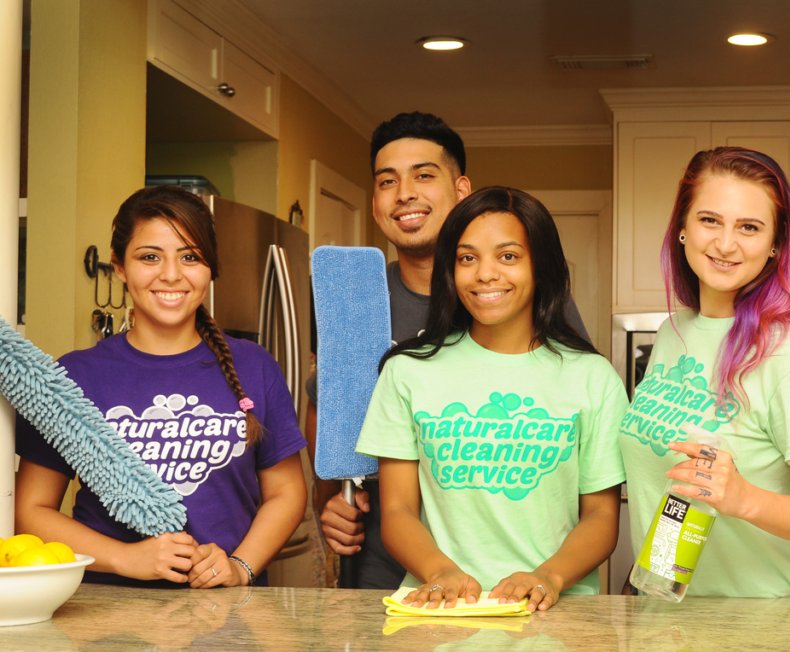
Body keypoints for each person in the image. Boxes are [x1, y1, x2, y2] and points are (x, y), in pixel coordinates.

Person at [307, 112, 589, 589]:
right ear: (375, 206)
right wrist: (329, 501)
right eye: (387, 181)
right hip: (379, 567)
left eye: (423, 175)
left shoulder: (516, 301)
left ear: (462, 192)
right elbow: (328, 414)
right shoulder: (352, 300)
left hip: (512, 571)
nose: (404, 194)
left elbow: (570, 422)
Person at [15, 186, 308, 588]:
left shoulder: (254, 365)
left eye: (190, 257)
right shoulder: (75, 377)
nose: (171, 274)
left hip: (227, 616)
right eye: (150, 257)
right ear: (119, 267)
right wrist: (125, 558)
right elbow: (32, 510)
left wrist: (241, 566)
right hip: (105, 614)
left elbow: (287, 492)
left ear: (210, 267)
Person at [619, 147, 790, 597]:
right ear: (682, 228)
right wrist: (648, 584)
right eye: (709, 220)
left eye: (749, 228)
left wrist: (743, 498)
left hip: (761, 626)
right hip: (668, 618)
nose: (725, 244)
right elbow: (670, 489)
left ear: (775, 244)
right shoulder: (672, 334)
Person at [354, 187, 625, 612]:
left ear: (541, 266)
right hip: (440, 608)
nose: (485, 274)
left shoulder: (593, 378)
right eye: (467, 258)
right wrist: (440, 571)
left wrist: (548, 576)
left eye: (508, 256)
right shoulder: (408, 371)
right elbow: (398, 509)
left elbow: (602, 517)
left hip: (555, 611)